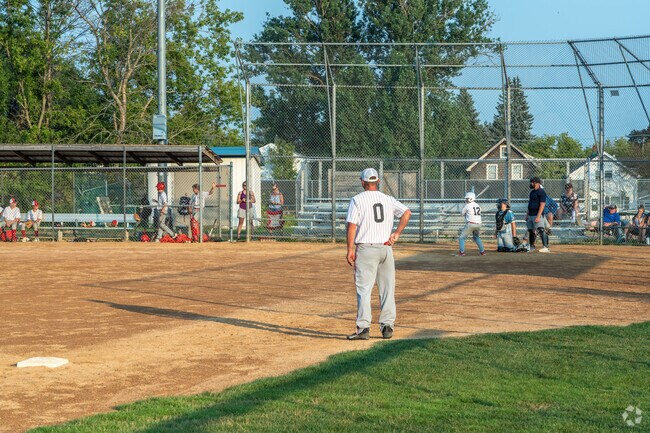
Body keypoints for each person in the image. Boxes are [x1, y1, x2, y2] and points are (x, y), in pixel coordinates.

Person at [346, 168, 411, 341]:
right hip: (385, 249)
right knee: (388, 289)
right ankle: (387, 326)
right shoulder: (387, 199)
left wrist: (350, 249)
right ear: (378, 182)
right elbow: (407, 212)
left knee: (364, 290)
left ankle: (363, 329)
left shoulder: (357, 199)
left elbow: (352, 225)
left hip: (366, 248)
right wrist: (396, 234)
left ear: (362, 182)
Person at [526, 176, 551, 253]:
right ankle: (532, 246)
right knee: (531, 230)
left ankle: (545, 247)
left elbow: (542, 205)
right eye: (531, 182)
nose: (531, 183)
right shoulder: (532, 192)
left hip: (537, 214)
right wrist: (527, 214)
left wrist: (538, 216)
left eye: (533, 182)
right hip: (531, 214)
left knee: (541, 229)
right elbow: (529, 204)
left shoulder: (541, 192)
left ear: (537, 183)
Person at [458, 191, 486, 256]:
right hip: (478, 224)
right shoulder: (478, 205)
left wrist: (464, 208)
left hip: (471, 224)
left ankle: (461, 252)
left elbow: (462, 214)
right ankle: (482, 251)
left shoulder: (467, 205)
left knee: (461, 238)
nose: (466, 200)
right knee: (476, 237)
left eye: (467, 198)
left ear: (470, 198)